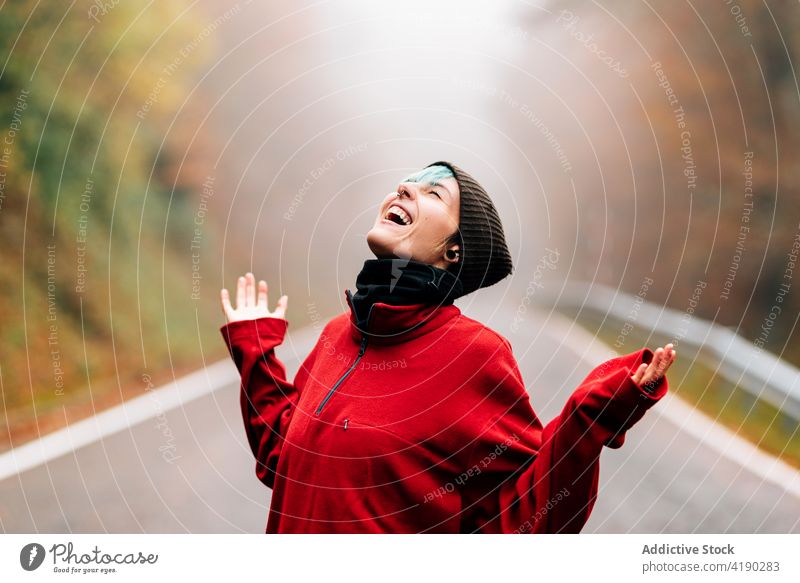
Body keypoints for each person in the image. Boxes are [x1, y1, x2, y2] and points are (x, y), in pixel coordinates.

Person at [219, 161, 676, 533]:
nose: (404, 186)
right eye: (408, 180)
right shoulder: (339, 334)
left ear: (452, 252)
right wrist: (254, 351)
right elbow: (282, 462)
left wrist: (595, 416)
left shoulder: (475, 354)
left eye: (433, 192)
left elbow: (526, 518)